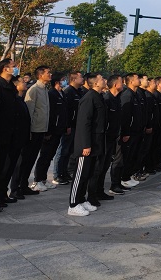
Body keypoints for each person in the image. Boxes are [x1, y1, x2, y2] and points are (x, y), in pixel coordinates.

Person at [68, 74, 107, 216]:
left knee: (88, 173)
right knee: (80, 174)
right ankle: (73, 204)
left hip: (96, 142)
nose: (104, 80)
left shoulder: (98, 96)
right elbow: (84, 123)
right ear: (95, 83)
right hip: (86, 144)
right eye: (101, 79)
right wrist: (85, 144)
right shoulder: (89, 98)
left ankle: (81, 200)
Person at [11, 66, 51, 197]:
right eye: (48, 73)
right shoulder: (34, 89)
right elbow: (29, 112)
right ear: (40, 75)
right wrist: (29, 131)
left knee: (31, 159)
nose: (50, 75)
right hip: (33, 131)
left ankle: (24, 185)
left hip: (41, 130)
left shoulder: (44, 89)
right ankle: (16, 187)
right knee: (24, 160)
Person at [0, 58, 18, 210]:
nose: (16, 68)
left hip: (11, 132)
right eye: (14, 66)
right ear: (6, 68)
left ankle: (2, 194)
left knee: (8, 166)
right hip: (0, 133)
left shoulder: (10, 86)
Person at [32, 73, 67, 191]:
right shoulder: (51, 94)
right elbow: (50, 114)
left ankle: (43, 179)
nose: (65, 81)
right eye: (63, 79)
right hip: (50, 131)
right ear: (57, 82)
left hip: (58, 130)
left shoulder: (61, 93)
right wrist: (48, 131)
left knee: (49, 156)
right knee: (44, 156)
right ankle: (37, 180)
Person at [90, 74, 123, 200]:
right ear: (115, 84)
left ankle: (100, 191)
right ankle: (93, 193)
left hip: (112, 138)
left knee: (104, 167)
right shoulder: (107, 99)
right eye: (121, 82)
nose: (123, 84)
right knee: (99, 167)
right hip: (104, 139)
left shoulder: (116, 99)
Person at [55, 71, 83, 184]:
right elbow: (66, 111)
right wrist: (67, 125)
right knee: (63, 150)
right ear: (74, 79)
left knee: (69, 150)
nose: (82, 79)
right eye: (80, 77)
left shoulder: (79, 91)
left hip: (76, 126)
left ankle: (65, 172)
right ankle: (58, 174)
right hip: (69, 126)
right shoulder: (69, 92)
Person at [118, 73, 144, 188]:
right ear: (131, 81)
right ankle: (123, 178)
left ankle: (128, 176)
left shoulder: (135, 94)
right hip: (130, 132)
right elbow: (125, 116)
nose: (139, 80)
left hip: (137, 131)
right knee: (126, 156)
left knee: (133, 155)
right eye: (137, 78)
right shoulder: (127, 95)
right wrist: (126, 132)